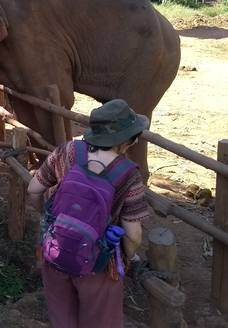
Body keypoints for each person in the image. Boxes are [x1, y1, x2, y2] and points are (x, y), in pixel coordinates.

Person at [27, 99, 151, 328]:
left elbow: (34, 190)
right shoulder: (128, 174)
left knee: (62, 318)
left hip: (55, 249)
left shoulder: (66, 150)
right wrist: (130, 257)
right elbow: (133, 235)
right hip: (99, 263)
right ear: (126, 140)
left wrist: (47, 219)